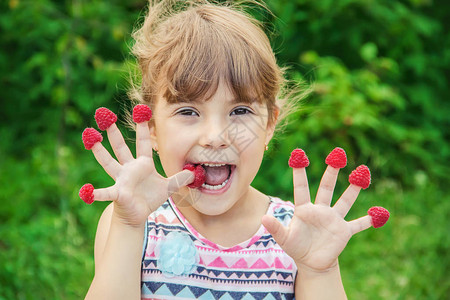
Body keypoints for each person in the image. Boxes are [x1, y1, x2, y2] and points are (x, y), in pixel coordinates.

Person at [81, 1, 388, 299]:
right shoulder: (134, 221)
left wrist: (320, 271)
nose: (215, 137)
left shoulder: (296, 235)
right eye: (188, 112)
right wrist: (128, 224)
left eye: (240, 111)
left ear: (268, 124)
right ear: (152, 130)